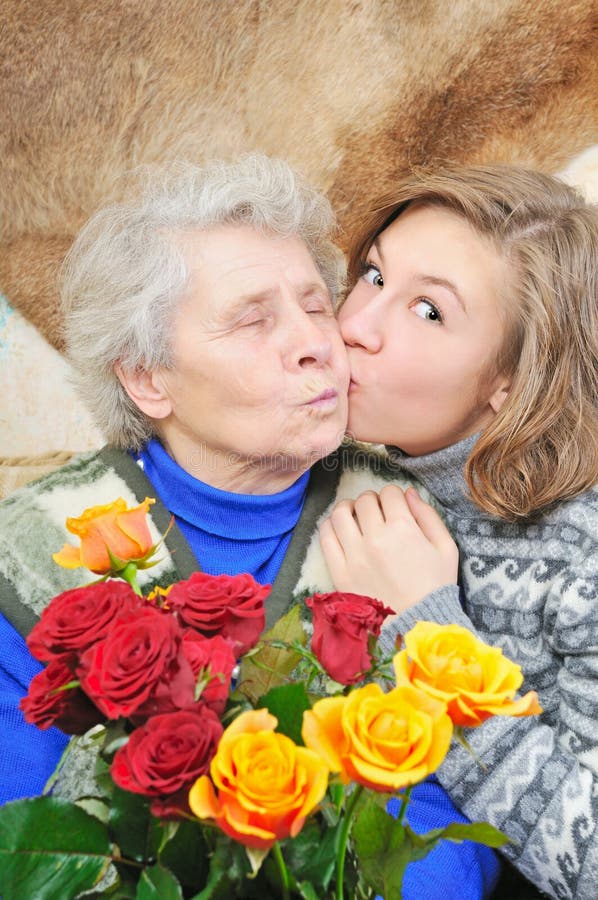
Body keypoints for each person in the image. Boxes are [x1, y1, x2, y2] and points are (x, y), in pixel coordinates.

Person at [0, 156, 500, 897]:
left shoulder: (413, 524)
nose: (316, 342)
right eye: (252, 319)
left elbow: (457, 826)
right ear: (147, 377)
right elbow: (26, 851)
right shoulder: (34, 548)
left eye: (315, 305)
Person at [319, 164, 598, 899]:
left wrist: (430, 635)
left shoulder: (583, 554)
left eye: (429, 311)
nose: (354, 325)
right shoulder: (346, 467)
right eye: (374, 274)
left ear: (510, 381)